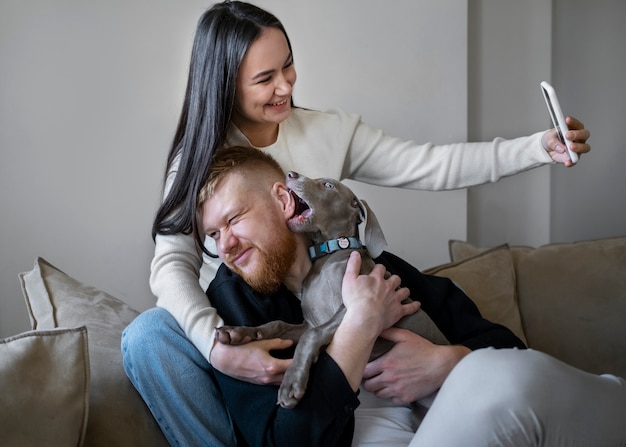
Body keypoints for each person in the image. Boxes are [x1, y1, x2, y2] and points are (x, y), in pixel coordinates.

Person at [122, 1, 593, 445]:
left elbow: (429, 164)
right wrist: (216, 346)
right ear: (226, 85)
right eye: (265, 78)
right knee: (147, 337)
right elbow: (170, 267)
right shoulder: (201, 163)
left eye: (287, 65)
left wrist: (534, 149)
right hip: (244, 319)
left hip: (333, 301)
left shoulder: (327, 136)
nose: (286, 86)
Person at [127, 145, 625, 446]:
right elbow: (287, 443)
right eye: (212, 236)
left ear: (282, 200)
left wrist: (446, 361)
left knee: (502, 377)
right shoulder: (237, 309)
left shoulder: (372, 266)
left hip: (474, 416)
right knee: (502, 386)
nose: (226, 246)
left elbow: (508, 350)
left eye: (233, 220)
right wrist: (359, 327)